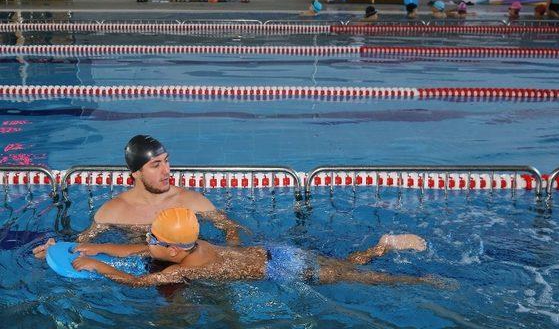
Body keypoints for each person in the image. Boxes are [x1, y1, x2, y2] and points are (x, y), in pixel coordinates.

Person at [71, 207, 458, 289]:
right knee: (344, 265)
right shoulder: (195, 244)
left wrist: (97, 266)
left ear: (174, 251)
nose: (146, 242)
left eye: (153, 239)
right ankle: (382, 246)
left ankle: (423, 281)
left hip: (288, 270)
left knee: (364, 280)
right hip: (277, 253)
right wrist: (83, 246)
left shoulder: (186, 270)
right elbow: (135, 252)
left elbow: (136, 282)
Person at [33, 135, 244, 259]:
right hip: (142, 272)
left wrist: (228, 253)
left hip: (192, 266)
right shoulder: (113, 211)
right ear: (136, 173)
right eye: (156, 165)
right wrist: (53, 252)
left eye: (166, 161)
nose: (166, 171)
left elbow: (230, 227)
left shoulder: (192, 201)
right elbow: (81, 243)